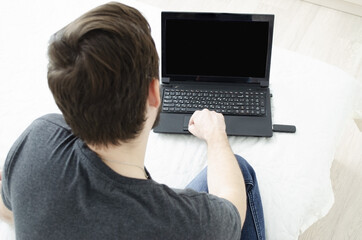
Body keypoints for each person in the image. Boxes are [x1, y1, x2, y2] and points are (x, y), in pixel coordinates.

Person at [0, 2, 265, 239]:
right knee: (239, 169)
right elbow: (233, 212)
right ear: (153, 92)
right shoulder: (183, 222)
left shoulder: (38, 139)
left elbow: (10, 205)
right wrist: (216, 136)